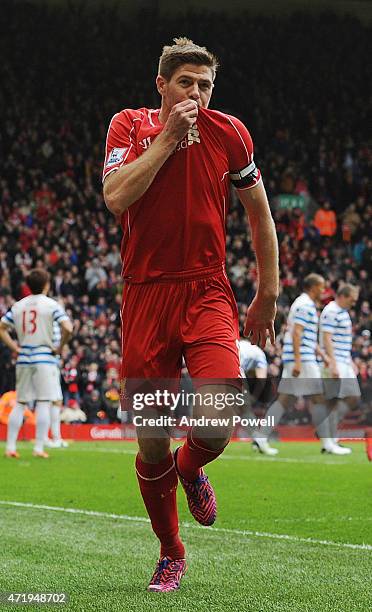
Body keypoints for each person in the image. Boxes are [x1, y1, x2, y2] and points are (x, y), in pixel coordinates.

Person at [103, 37, 279, 592]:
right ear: (162, 85)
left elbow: (259, 213)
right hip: (146, 293)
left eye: (205, 86)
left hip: (207, 289)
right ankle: (171, 551)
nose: (197, 95)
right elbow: (116, 197)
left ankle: (191, 467)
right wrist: (169, 139)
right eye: (186, 84)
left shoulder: (231, 133)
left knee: (219, 418)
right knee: (151, 436)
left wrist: (267, 293)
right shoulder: (128, 127)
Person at [253, 274, 350, 456]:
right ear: (313, 287)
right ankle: (328, 443)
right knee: (318, 398)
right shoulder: (305, 305)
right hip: (303, 359)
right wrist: (298, 360)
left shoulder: (304, 304)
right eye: (321, 287)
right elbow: (297, 334)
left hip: (300, 357)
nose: (323, 291)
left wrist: (324, 357)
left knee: (285, 399)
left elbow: (307, 337)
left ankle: (260, 436)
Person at [0, 269, 73, 458]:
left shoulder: (18, 305)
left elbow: (2, 327)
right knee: (43, 402)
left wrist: (15, 347)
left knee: (20, 402)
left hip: (24, 356)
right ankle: (39, 448)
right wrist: (59, 347)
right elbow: (68, 327)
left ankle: (10, 447)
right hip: (44, 357)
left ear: (28, 286)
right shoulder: (51, 305)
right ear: (47, 285)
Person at [319, 284, 361, 453]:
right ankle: (329, 439)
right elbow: (327, 339)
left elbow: (341, 339)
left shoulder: (342, 312)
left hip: (343, 360)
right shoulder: (331, 311)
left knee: (347, 398)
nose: (354, 303)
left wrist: (350, 360)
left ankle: (329, 436)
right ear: (343, 296)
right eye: (352, 299)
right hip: (335, 362)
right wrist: (333, 363)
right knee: (341, 399)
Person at [44, 320, 69, 449]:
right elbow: (68, 329)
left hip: (46, 363)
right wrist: (58, 350)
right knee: (53, 401)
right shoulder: (51, 321)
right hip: (49, 363)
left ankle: (49, 437)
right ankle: (53, 438)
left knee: (49, 401)